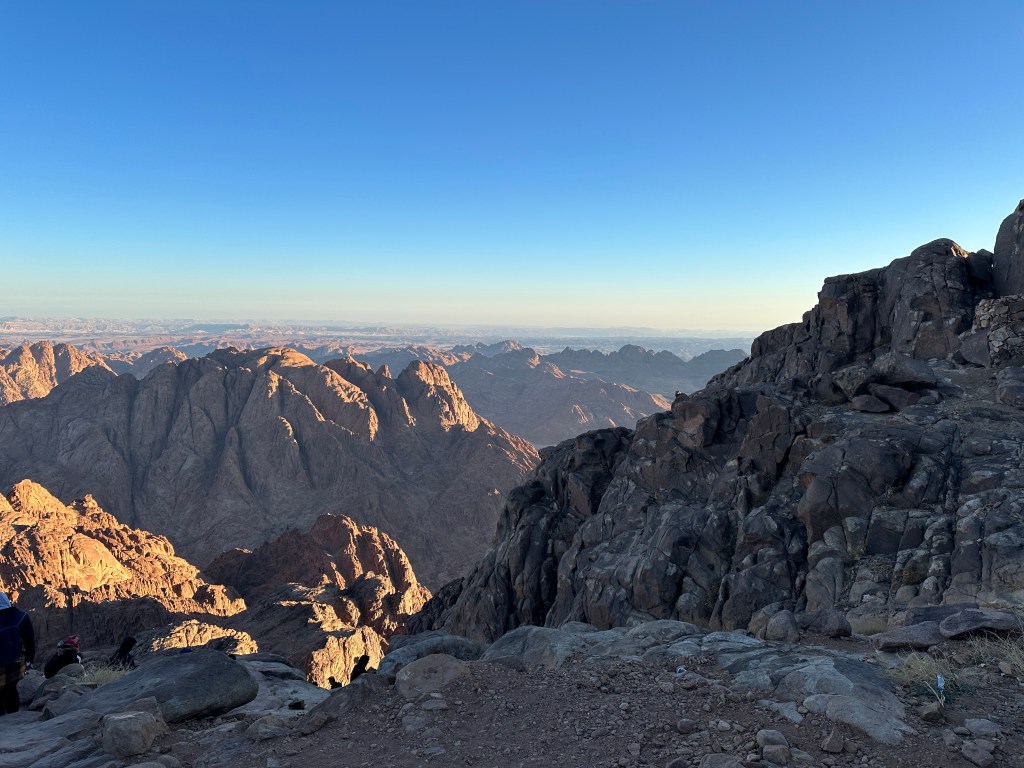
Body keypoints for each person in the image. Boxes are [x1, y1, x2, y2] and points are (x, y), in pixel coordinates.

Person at [0, 591, 35, 715]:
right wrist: (30, 660)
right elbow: (30, 641)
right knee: (12, 690)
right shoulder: (21, 616)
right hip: (16, 664)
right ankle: (13, 716)